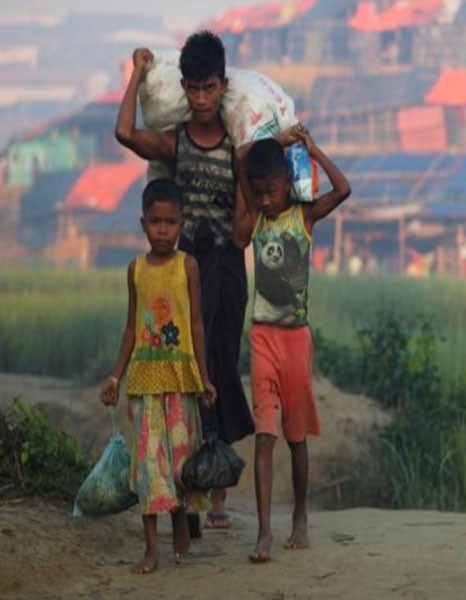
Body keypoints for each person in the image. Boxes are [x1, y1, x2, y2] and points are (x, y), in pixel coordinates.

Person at [115, 31, 254, 532]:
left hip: (226, 271)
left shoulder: (238, 149)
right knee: (182, 372)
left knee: (217, 369)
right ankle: (184, 490)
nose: (199, 100)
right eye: (192, 89)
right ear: (184, 87)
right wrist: (136, 74)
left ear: (223, 87)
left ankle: (215, 491)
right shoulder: (175, 142)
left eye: (209, 89)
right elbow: (125, 133)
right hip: (181, 275)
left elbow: (242, 229)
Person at [232, 126, 351, 563]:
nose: (265, 199)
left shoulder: (304, 216)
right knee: (265, 437)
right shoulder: (256, 219)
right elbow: (238, 163)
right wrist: (277, 142)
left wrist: (311, 150)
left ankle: (300, 514)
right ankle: (264, 533)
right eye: (258, 192)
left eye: (272, 190)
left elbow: (344, 188)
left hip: (296, 339)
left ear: (288, 182)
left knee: (295, 437)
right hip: (262, 334)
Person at [99, 178, 216, 574]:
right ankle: (151, 549)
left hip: (182, 380)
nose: (162, 230)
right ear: (142, 223)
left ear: (181, 224)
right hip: (145, 382)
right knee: (148, 465)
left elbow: (196, 324)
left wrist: (204, 378)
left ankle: (181, 520)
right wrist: (116, 377)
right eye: (155, 222)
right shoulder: (135, 270)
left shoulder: (189, 266)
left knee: (181, 464)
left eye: (170, 222)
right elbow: (131, 328)